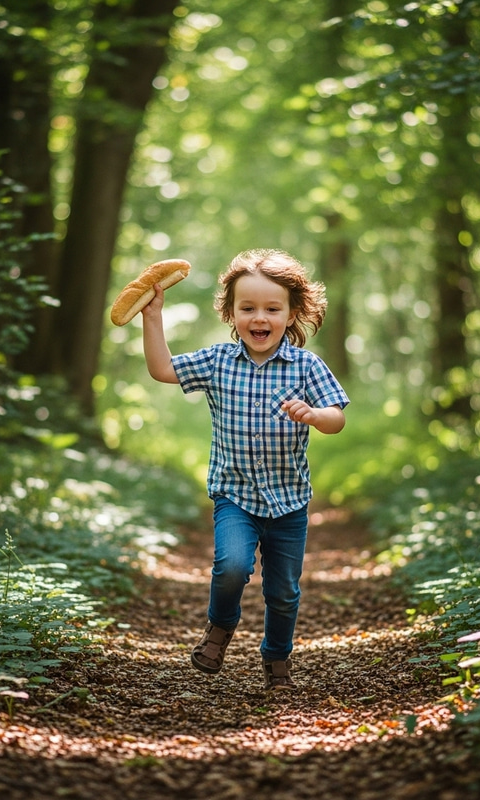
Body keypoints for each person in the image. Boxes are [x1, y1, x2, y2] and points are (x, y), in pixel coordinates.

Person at [141, 248, 349, 690]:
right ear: (231, 313)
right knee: (231, 565)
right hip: (235, 495)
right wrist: (152, 315)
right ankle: (220, 627)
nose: (260, 317)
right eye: (247, 308)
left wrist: (314, 415)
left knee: (284, 592)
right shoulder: (218, 362)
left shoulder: (306, 366)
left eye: (272, 308)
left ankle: (277, 661)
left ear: (292, 313)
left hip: (289, 501)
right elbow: (161, 369)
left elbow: (337, 416)